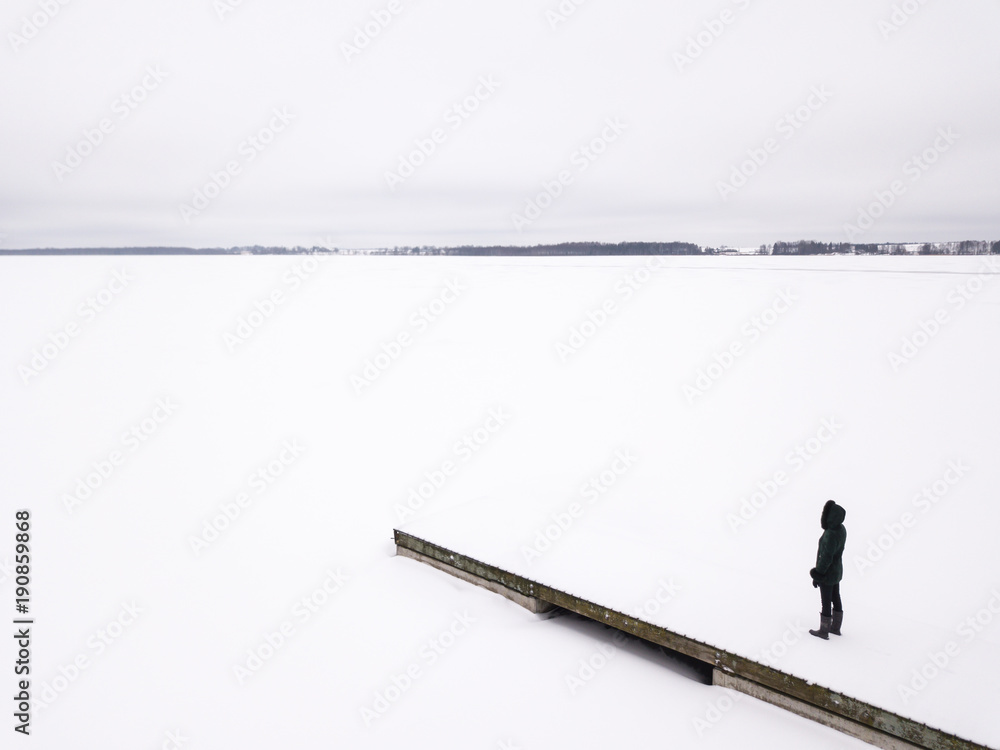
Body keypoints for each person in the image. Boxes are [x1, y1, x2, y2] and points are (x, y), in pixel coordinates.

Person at [809, 499, 847, 640]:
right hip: (837, 571)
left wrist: (818, 574)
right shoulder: (841, 529)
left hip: (828, 573)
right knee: (836, 596)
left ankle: (824, 631)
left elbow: (826, 557)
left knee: (826, 600)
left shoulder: (831, 534)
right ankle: (835, 628)